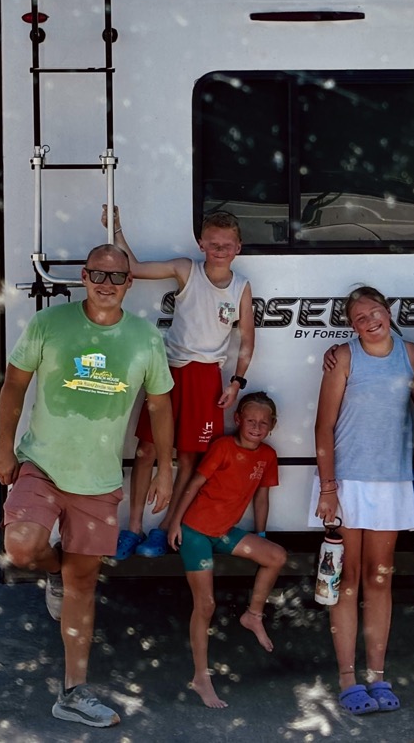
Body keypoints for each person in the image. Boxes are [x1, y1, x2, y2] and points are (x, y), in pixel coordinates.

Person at [0, 244, 175, 728]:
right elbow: (14, 384)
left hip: (98, 480)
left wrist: (166, 467)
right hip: (42, 464)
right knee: (21, 547)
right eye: (97, 274)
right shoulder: (50, 323)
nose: (106, 283)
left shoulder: (144, 339)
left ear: (129, 284)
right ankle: (52, 569)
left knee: (83, 582)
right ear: (84, 276)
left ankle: (73, 692)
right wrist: (3, 447)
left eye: (116, 277)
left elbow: (159, 406)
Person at [102, 205, 255, 560]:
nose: (220, 250)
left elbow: (246, 339)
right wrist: (119, 229)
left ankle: (165, 528)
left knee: (190, 459)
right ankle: (134, 527)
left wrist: (236, 381)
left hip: (207, 379)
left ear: (238, 248)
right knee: (146, 451)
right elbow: (134, 269)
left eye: (227, 244)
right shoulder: (186, 269)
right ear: (201, 243)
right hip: (169, 372)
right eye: (213, 243)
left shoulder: (242, 287)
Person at [313, 286, 414, 716]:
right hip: (347, 483)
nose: (369, 321)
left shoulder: (411, 355)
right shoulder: (343, 358)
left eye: (374, 312)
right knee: (347, 579)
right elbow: (324, 427)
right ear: (351, 324)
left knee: (381, 579)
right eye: (359, 318)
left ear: (388, 311)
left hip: (393, 482)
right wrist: (327, 487)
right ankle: (347, 678)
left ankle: (377, 675)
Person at [164, 391, 288, 709]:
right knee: (205, 604)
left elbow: (262, 497)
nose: (256, 427)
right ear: (238, 420)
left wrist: (260, 533)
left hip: (223, 532)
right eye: (251, 421)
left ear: (272, 426)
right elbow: (193, 483)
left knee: (276, 556)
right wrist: (175, 523)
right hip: (195, 532)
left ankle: (253, 615)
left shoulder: (268, 456)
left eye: (263, 423)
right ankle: (201, 677)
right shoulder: (223, 447)